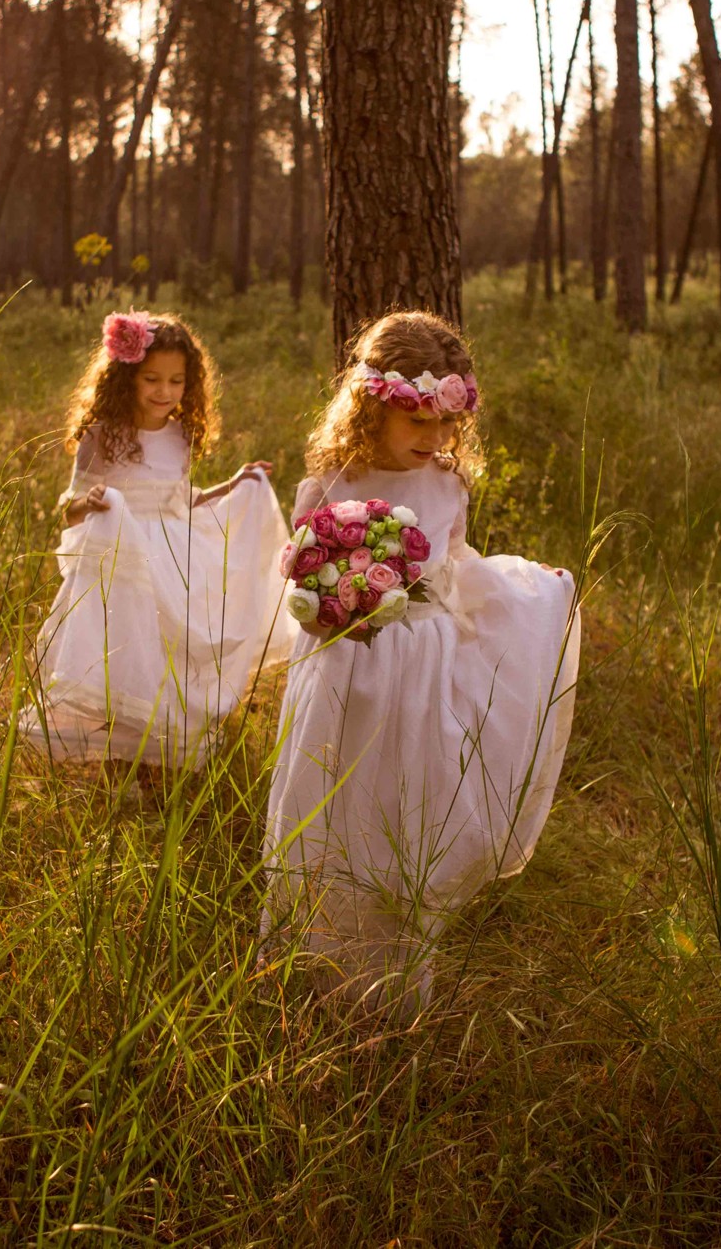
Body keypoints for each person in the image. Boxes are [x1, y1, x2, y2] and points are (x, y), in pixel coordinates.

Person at [264, 311, 582, 1014]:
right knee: (334, 804)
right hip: (346, 667)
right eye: (418, 422)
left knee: (407, 808)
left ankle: (398, 975)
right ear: (372, 405)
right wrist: (330, 610)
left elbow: (456, 567)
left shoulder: (447, 484)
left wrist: (536, 589)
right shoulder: (331, 481)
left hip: (424, 668)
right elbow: (305, 579)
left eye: (446, 423)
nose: (436, 439)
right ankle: (318, 967)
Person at [22, 310, 294, 768]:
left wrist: (235, 484)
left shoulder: (181, 436)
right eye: (152, 379)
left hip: (171, 556)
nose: (164, 392)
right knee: (121, 652)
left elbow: (179, 501)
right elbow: (68, 508)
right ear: (127, 376)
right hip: (119, 559)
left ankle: (154, 755)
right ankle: (112, 756)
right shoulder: (102, 435)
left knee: (165, 653)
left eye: (175, 381)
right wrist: (88, 502)